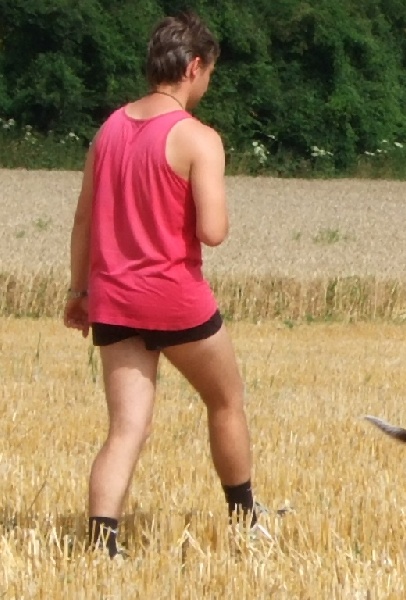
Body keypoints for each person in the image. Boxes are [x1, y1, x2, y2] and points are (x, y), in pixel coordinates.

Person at [64, 12, 264, 557]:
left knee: (126, 428)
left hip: (112, 301)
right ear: (194, 66)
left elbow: (83, 219)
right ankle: (246, 517)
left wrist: (78, 293)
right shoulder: (198, 138)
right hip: (176, 302)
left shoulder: (108, 130)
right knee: (225, 401)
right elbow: (213, 232)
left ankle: (103, 543)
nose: (207, 85)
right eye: (209, 74)